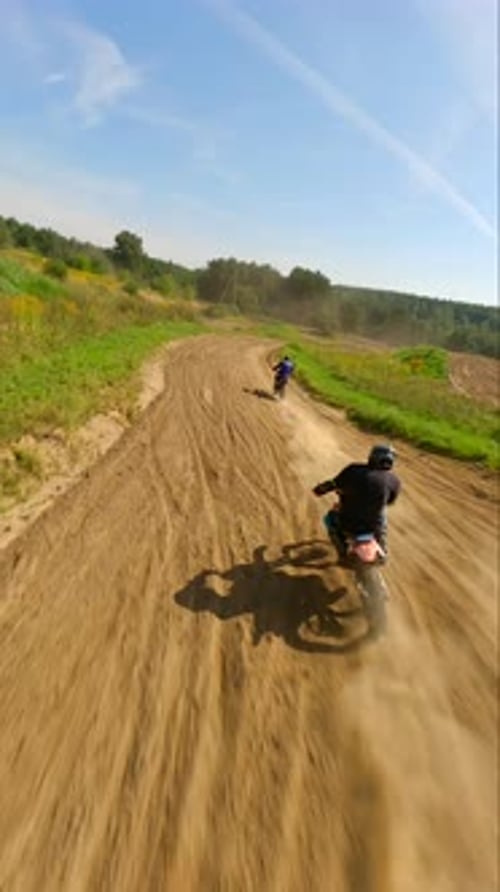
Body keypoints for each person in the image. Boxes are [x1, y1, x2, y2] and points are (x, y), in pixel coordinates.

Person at [312, 444, 400, 562]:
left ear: (372, 456)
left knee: (329, 519)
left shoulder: (354, 470)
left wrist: (319, 490)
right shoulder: (394, 480)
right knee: (382, 515)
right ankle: (382, 548)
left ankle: (343, 552)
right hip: (374, 526)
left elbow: (333, 484)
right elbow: (390, 502)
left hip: (349, 522)